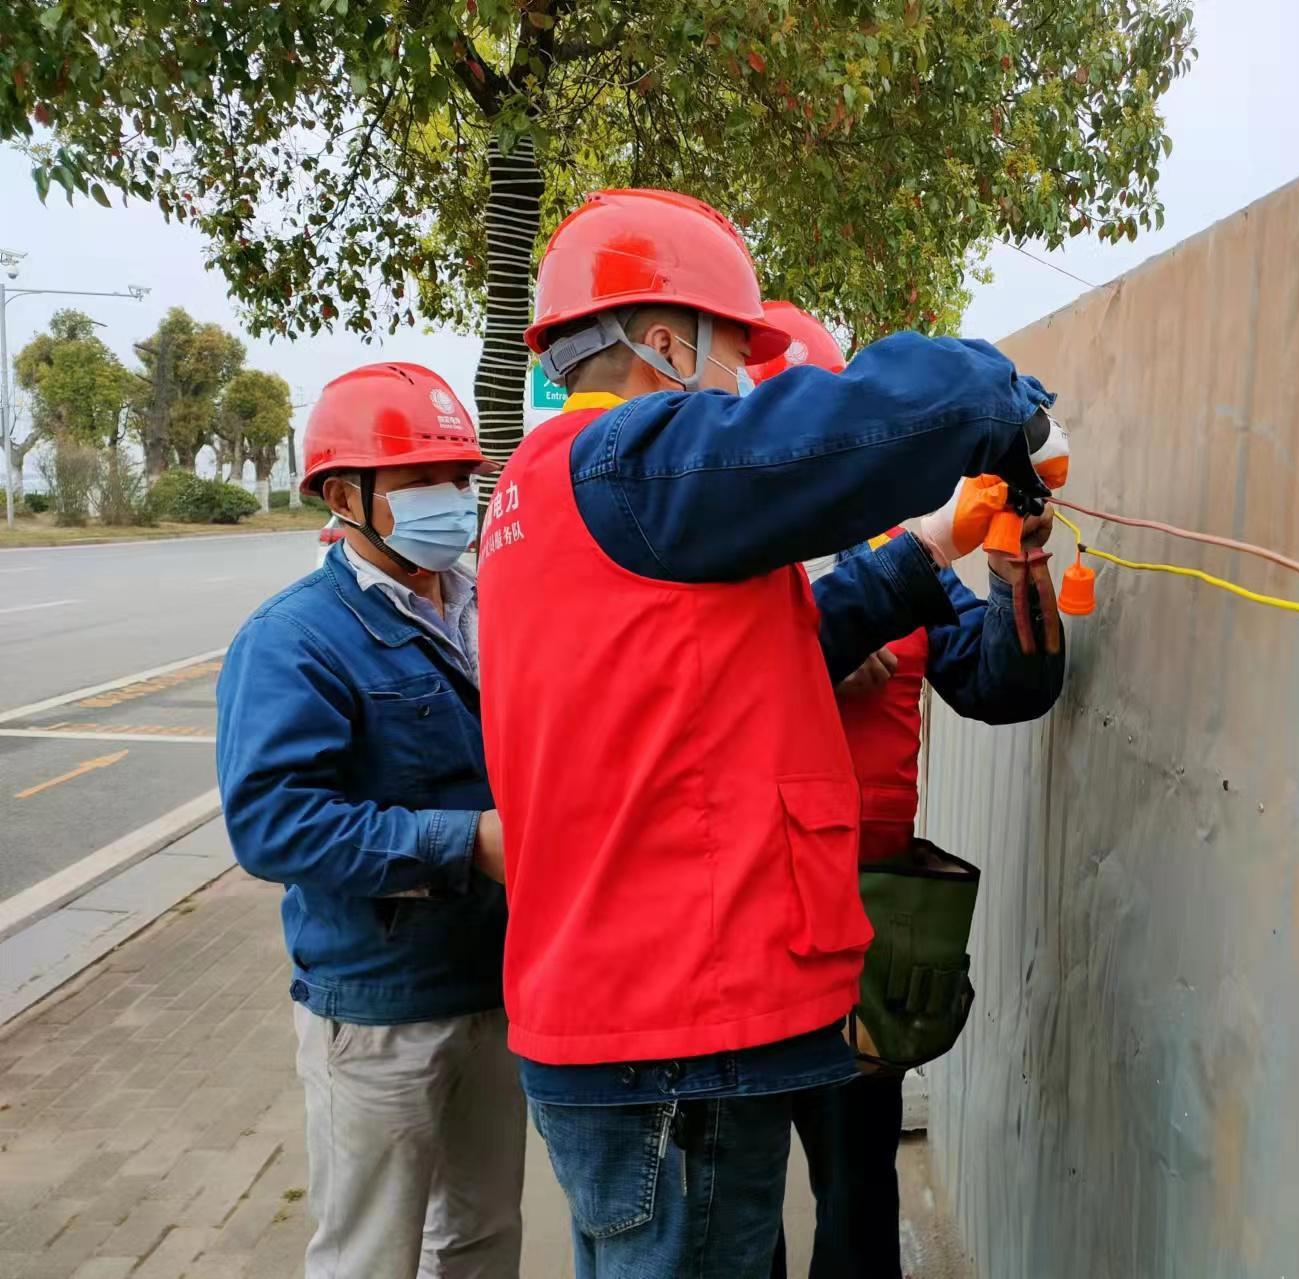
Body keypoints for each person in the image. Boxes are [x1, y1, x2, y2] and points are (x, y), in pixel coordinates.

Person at [477, 187, 1066, 1279]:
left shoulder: (548, 494)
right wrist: (991, 390)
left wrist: (933, 545)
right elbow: (860, 425)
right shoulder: (631, 463)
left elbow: (790, 639)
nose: (743, 385)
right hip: (672, 1030)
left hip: (641, 1016)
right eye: (734, 359)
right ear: (661, 342)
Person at [754, 302, 1066, 1279]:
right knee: (733, 1203)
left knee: (857, 1195)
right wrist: (815, 657)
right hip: (739, 932)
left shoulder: (891, 548)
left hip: (863, 928)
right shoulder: (718, 570)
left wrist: (1017, 570)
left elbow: (1000, 684)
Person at [215, 363, 523, 1279]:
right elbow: (274, 822)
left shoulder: (489, 608)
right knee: (369, 1255)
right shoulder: (296, 638)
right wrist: (465, 841)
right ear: (347, 495)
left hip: (495, 988)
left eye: (464, 478)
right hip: (378, 1008)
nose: (454, 500)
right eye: (426, 479)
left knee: (480, 1236)